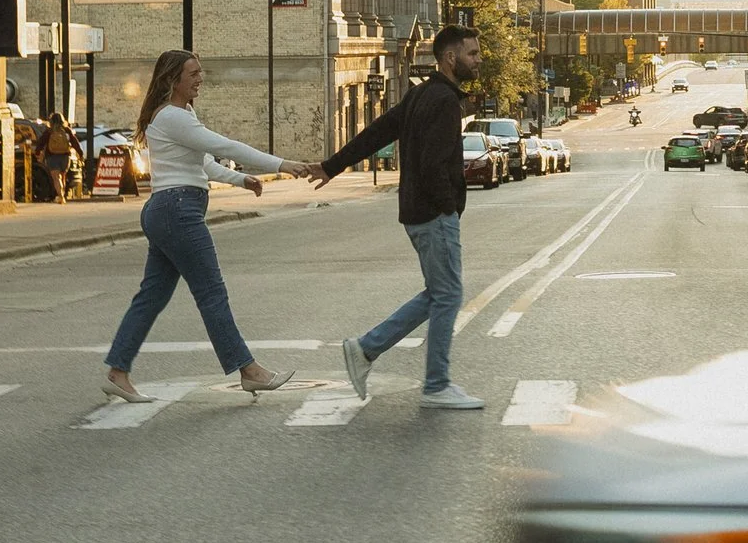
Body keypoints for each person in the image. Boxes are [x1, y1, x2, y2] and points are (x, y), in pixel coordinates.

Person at [100, 49, 295, 405]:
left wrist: (240, 179)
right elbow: (224, 145)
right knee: (211, 293)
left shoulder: (181, 114)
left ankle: (118, 372)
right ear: (172, 79)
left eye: (200, 72)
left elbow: (204, 163)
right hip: (177, 211)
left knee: (152, 297)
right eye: (193, 73)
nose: (200, 78)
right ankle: (248, 370)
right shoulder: (173, 116)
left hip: (167, 210)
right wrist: (283, 164)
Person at [306, 25, 484, 409]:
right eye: (472, 54)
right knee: (449, 295)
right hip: (434, 215)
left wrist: (332, 166)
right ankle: (436, 384)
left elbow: (378, 131)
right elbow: (433, 163)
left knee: (439, 294)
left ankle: (366, 349)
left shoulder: (420, 94)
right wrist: (449, 205)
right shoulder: (443, 101)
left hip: (417, 213)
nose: (478, 60)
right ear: (450, 58)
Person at [36, 110, 76, 201]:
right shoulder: (67, 130)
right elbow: (74, 142)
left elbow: (41, 142)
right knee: (63, 177)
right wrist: (80, 153)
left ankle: (60, 196)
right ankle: (63, 194)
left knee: (56, 178)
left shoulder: (49, 131)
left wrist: (38, 152)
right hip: (65, 156)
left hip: (52, 156)